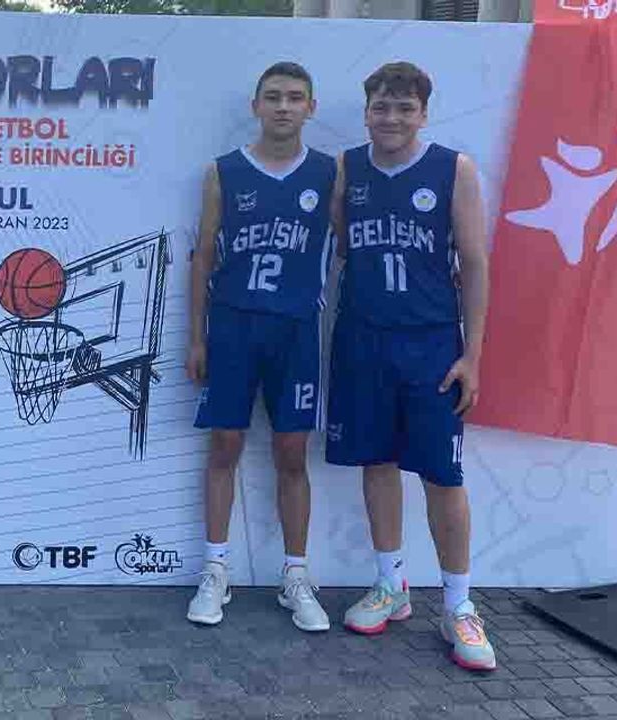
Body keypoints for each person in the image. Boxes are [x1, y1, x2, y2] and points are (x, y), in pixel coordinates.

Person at [326, 61, 495, 671]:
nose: (391, 117)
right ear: (366, 111)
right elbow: (342, 248)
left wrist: (472, 355)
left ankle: (458, 604)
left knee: (443, 476)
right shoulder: (346, 168)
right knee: (377, 462)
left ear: (423, 114)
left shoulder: (454, 168)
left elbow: (474, 264)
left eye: (404, 108)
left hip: (431, 343)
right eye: (381, 106)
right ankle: (390, 582)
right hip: (363, 337)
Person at [185, 62, 337, 631]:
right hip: (232, 325)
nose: (283, 106)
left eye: (295, 97)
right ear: (255, 106)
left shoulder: (330, 173)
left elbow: (354, 246)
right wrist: (195, 336)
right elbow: (203, 257)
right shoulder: (223, 172)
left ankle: (296, 575)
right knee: (224, 445)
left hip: (296, 329)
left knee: (291, 453)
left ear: (310, 107)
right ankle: (215, 569)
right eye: (273, 97)